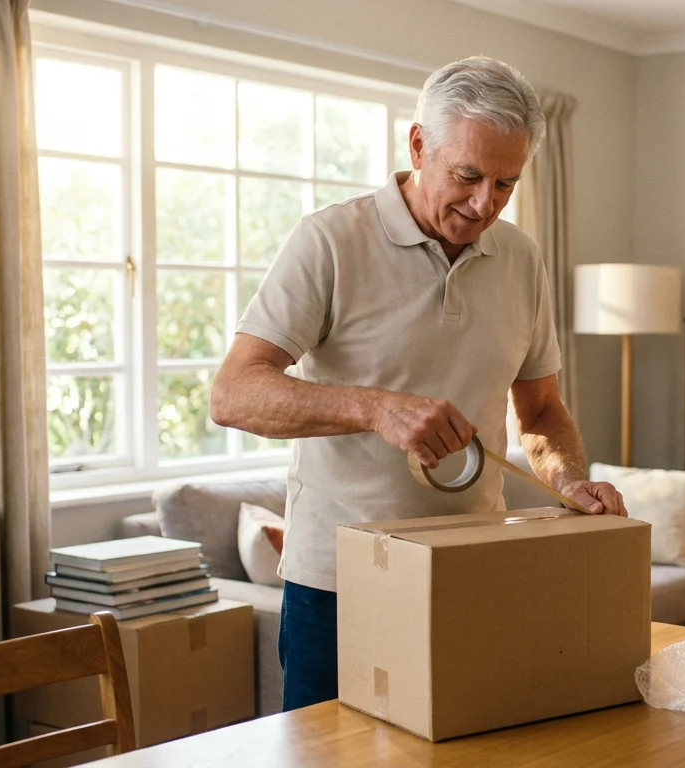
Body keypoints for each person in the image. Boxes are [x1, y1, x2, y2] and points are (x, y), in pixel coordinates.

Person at [209, 56, 626, 711]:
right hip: (339, 587)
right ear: (417, 145)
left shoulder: (520, 258)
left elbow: (540, 409)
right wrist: (377, 410)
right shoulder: (329, 241)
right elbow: (232, 393)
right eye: (467, 176)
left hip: (469, 573)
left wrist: (568, 480)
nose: (485, 203)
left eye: (506, 183)